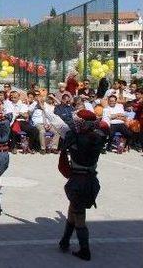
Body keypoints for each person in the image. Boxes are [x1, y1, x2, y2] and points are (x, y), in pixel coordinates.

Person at [58, 109, 108, 261]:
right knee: (73, 208)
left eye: (78, 121)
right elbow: (102, 127)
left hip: (79, 181)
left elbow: (63, 133)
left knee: (79, 216)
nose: (75, 123)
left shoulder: (75, 137)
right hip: (91, 179)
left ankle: (84, 250)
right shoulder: (100, 136)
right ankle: (65, 241)